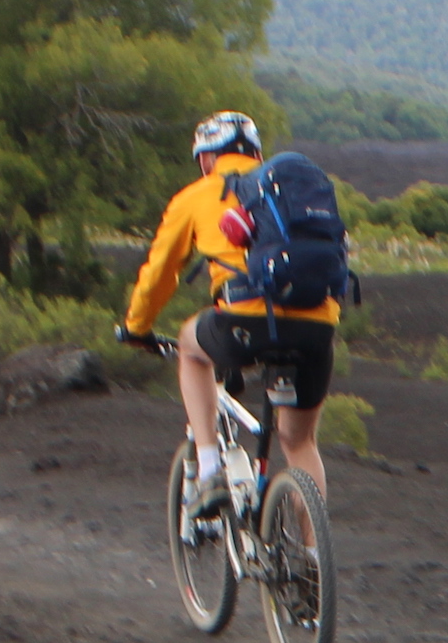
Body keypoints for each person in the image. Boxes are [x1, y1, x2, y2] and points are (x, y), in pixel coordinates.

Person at [120, 110, 335, 519]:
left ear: (205, 158)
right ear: (256, 153)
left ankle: (209, 470)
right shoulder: (289, 193)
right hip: (316, 326)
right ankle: (311, 562)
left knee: (190, 345)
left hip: (244, 324)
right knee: (299, 442)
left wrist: (137, 327)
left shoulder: (196, 197)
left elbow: (159, 273)